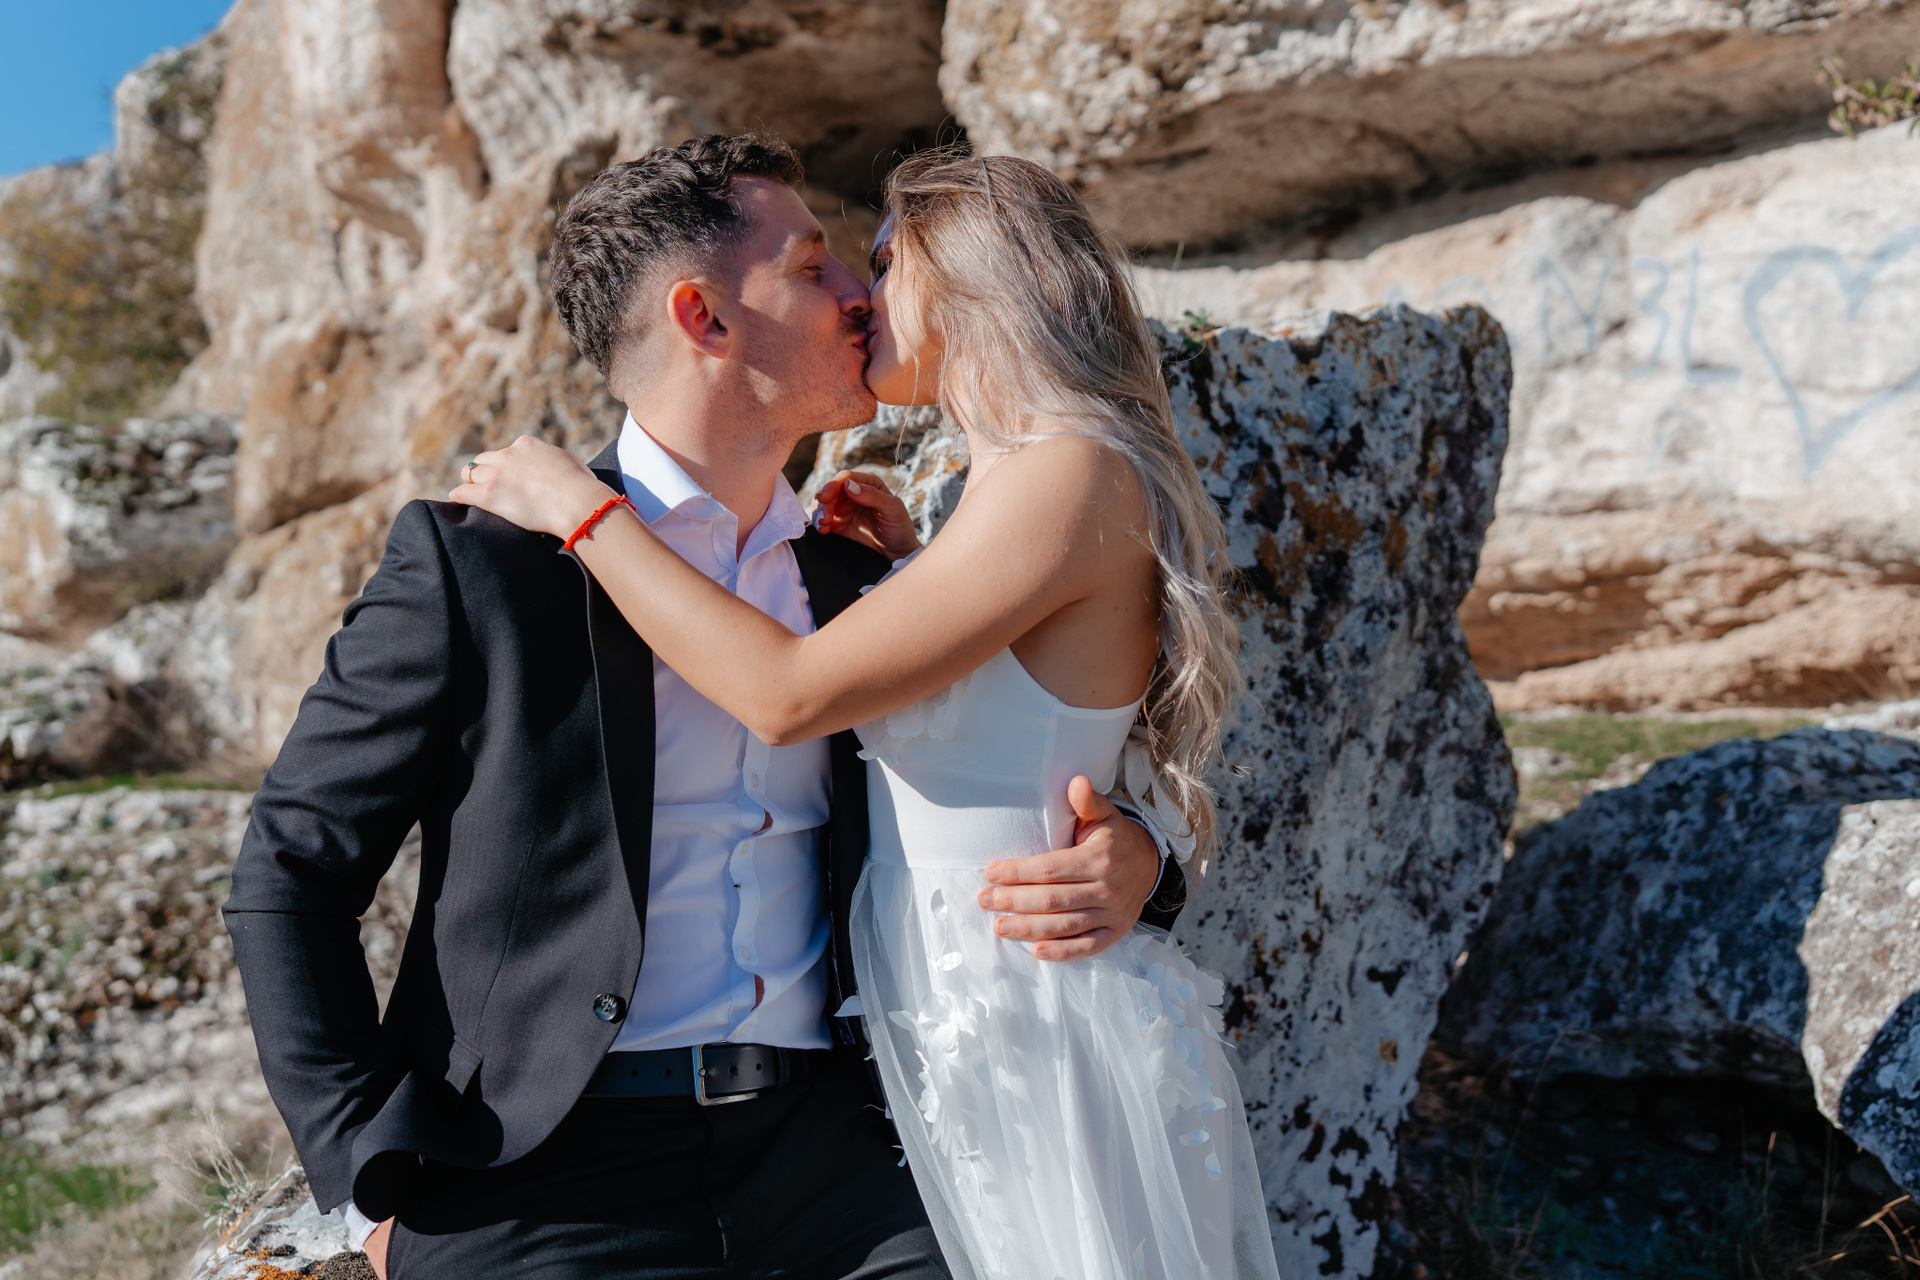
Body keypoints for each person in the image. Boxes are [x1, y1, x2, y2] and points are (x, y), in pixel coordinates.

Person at [224, 133, 1185, 1280]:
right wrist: (368, 1181)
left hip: (842, 1161)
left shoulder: (857, 573)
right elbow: (290, 869)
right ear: (705, 318)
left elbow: (1007, 760)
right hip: (540, 1174)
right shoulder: (482, 563)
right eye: (816, 265)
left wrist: (1140, 860)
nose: (858, 294)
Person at [453, 149, 1282, 1280]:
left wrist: (586, 514)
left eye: (886, 264)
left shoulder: (1071, 471)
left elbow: (787, 694)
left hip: (1025, 1020)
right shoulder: (1000, 489)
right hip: (936, 1031)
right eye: (835, 267)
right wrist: (912, 567)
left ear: (971, 275)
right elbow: (1022, 710)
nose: (857, 295)